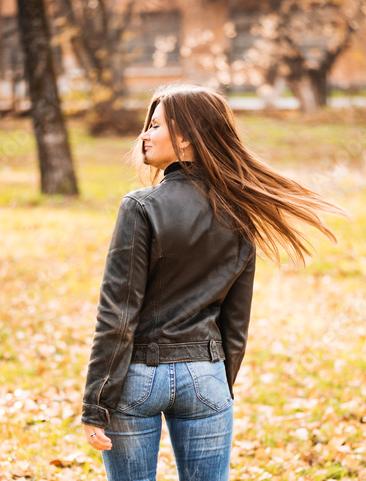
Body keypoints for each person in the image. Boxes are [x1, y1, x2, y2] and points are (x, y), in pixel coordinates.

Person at [81, 84, 348, 481]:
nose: (144, 135)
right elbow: (236, 318)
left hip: (136, 376)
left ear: (187, 137)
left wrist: (96, 403)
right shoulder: (241, 208)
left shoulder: (140, 206)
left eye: (155, 126)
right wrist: (220, 383)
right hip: (206, 373)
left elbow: (118, 313)